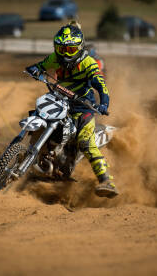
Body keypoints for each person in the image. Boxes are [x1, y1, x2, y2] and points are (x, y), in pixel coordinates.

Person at [25, 21, 119, 198]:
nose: (65, 54)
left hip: (83, 109)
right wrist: (34, 69)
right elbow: (40, 65)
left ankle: (106, 180)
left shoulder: (89, 63)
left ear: (79, 48)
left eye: (70, 50)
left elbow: (102, 86)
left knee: (85, 142)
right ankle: (31, 156)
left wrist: (104, 103)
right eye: (61, 49)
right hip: (60, 101)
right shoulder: (55, 58)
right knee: (40, 116)